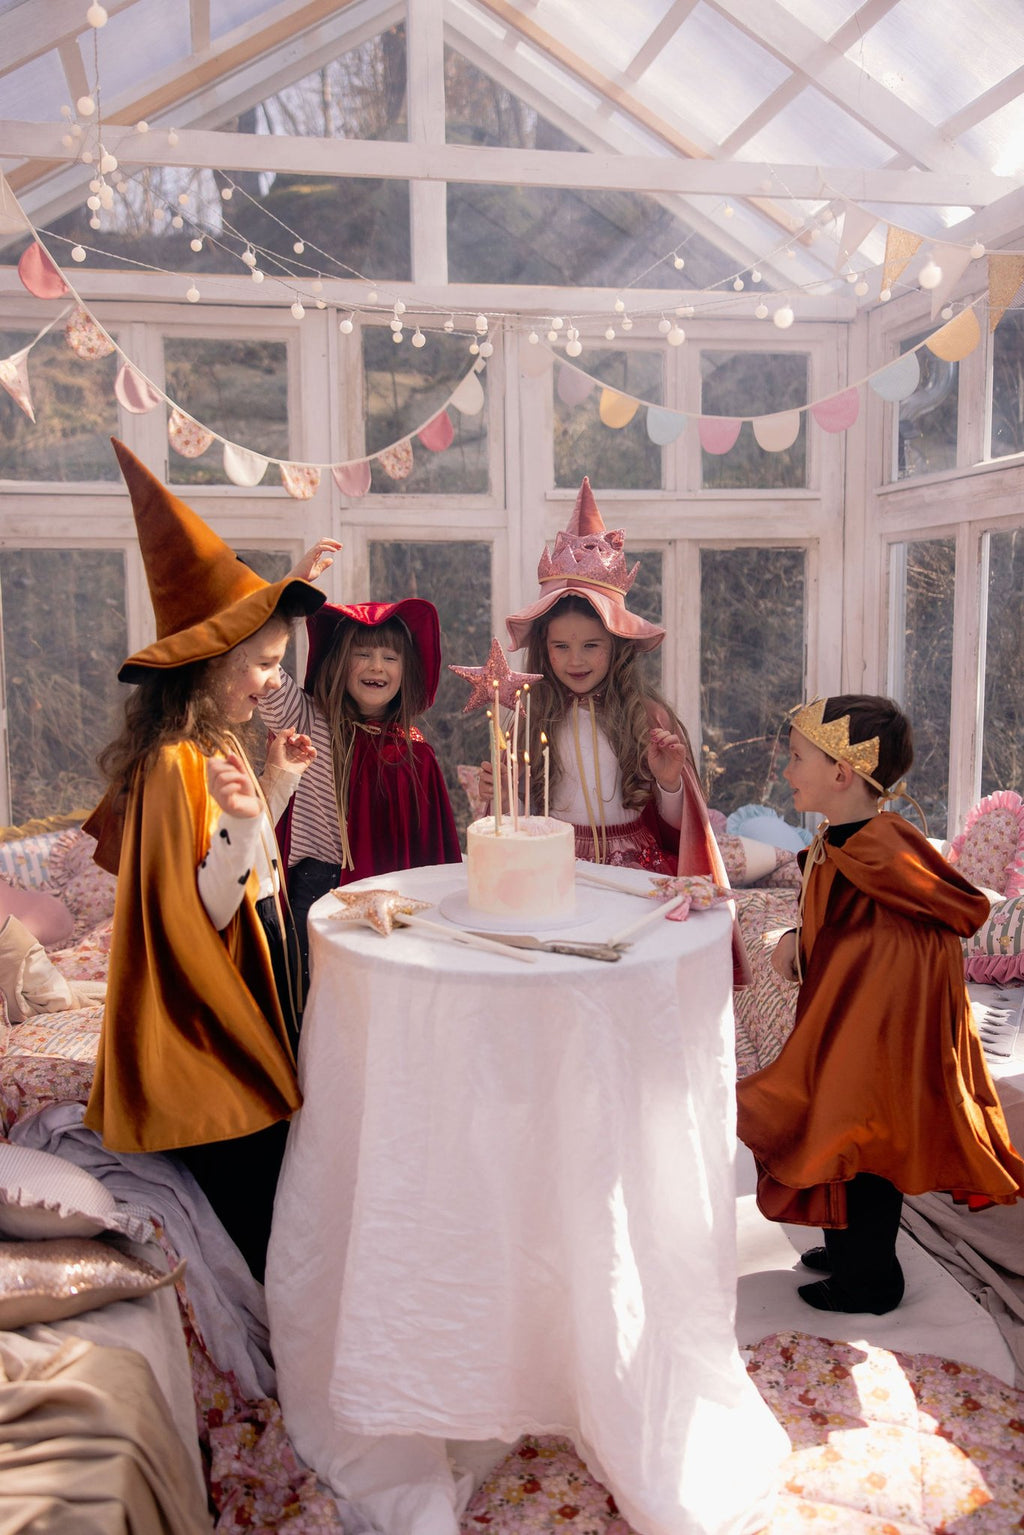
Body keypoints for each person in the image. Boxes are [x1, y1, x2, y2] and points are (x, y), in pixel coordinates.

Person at [82, 439, 328, 1283]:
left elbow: (244, 856)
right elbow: (211, 905)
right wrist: (240, 817)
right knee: (261, 1195)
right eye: (260, 664)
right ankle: (267, 1331)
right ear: (207, 662)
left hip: (224, 1001)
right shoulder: (175, 762)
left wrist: (273, 783)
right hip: (204, 1033)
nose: (270, 681)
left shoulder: (201, 740)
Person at [736, 693, 1024, 1315]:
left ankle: (870, 1280)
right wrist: (796, 942)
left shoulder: (885, 847)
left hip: (876, 1036)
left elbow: (933, 926)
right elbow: (839, 925)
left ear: (841, 773)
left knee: (862, 1146)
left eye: (795, 758)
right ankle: (844, 1251)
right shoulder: (840, 839)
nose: (786, 772)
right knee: (836, 1133)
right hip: (846, 1021)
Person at [490, 477, 725, 883]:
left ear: (617, 646)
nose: (575, 660)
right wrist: (501, 795)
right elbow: (516, 822)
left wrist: (669, 783)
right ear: (543, 648)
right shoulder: (532, 714)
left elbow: (677, 828)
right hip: (553, 865)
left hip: (634, 870)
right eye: (561, 646)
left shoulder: (648, 716)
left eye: (591, 646)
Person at [258, 577, 463, 988]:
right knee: (308, 995)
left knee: (374, 994)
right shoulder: (308, 720)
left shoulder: (414, 752)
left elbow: (432, 853)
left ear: (407, 671)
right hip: (314, 885)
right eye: (363, 654)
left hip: (390, 893)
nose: (376, 666)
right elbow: (268, 676)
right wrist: (282, 601)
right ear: (337, 662)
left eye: (390, 657)